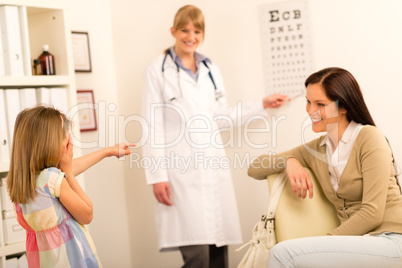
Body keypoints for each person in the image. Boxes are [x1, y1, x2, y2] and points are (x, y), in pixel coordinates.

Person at [142, 5, 288, 268]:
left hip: (211, 168)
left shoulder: (210, 69)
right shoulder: (157, 70)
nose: (191, 36)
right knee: (196, 256)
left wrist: (261, 104)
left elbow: (221, 117)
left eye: (197, 31)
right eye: (185, 30)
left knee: (218, 252)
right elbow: (152, 126)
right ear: (173, 31)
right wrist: (157, 176)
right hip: (179, 172)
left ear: (203, 34)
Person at [248, 67, 402, 268]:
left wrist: (324, 244)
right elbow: (254, 168)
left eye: (320, 104)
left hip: (391, 240)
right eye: (308, 102)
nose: (311, 111)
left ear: (344, 106)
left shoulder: (369, 138)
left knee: (283, 253)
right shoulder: (317, 148)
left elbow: (372, 212)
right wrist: (287, 161)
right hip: (357, 243)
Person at [7, 106, 135, 267]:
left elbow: (65, 171)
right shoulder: (53, 178)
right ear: (50, 143)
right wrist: (68, 170)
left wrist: (107, 151)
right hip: (74, 261)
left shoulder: (23, 181)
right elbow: (87, 214)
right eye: (64, 138)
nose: (68, 141)